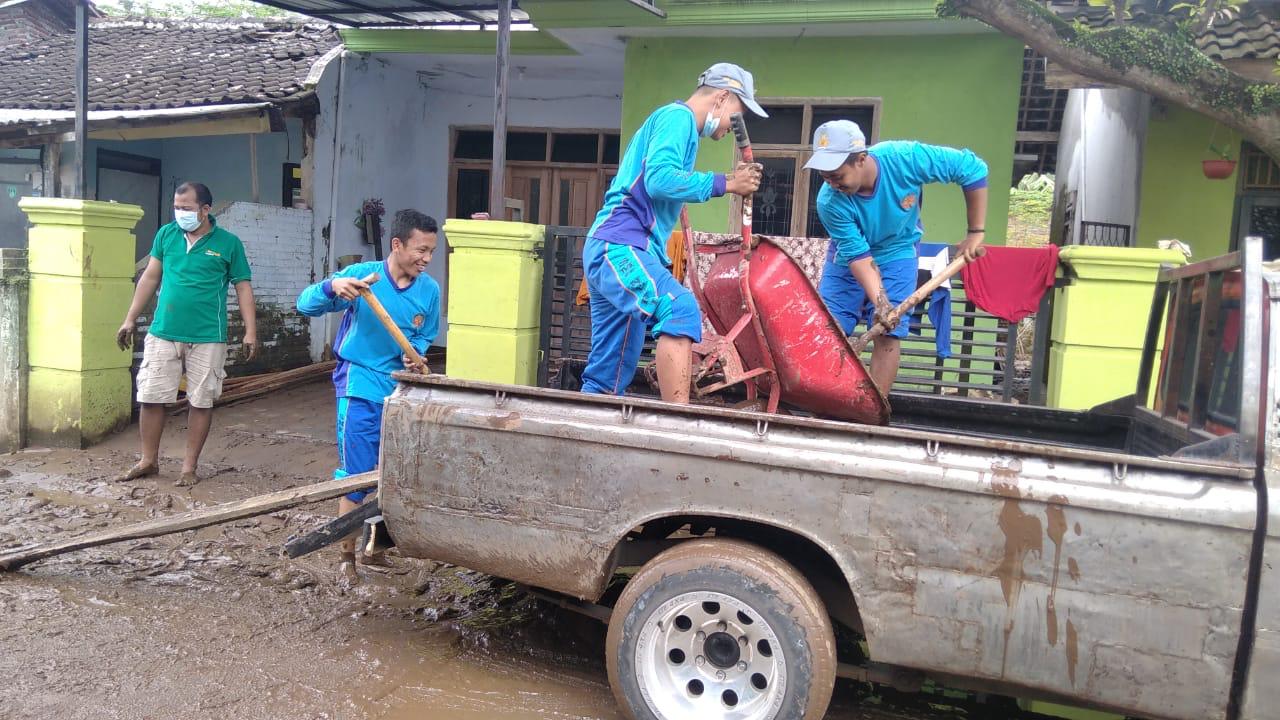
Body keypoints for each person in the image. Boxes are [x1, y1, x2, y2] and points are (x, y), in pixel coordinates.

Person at [580, 62, 765, 402]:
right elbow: (659, 179)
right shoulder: (678, 118)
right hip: (620, 243)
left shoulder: (684, 130)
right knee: (680, 309)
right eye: (737, 114)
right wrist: (727, 183)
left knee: (611, 372)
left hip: (618, 246)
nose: (734, 126)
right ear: (722, 97)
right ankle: (675, 428)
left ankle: (580, 435)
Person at [296, 209, 440, 580]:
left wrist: (416, 354)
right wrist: (332, 288)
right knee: (356, 475)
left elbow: (425, 337)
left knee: (388, 474)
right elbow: (305, 304)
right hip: (359, 385)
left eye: (431, 252)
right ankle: (347, 558)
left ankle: (373, 550)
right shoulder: (360, 277)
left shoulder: (429, 290)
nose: (426, 259)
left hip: (400, 392)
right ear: (397, 244)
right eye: (420, 250)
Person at [804, 120, 989, 391]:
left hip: (898, 253)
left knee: (888, 334)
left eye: (837, 176)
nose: (831, 184)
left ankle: (874, 410)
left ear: (861, 159)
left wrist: (976, 231)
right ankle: (824, 403)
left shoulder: (905, 159)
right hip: (848, 260)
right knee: (828, 332)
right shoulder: (829, 202)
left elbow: (972, 168)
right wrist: (881, 302)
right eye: (825, 177)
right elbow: (859, 258)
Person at [115, 182, 257, 487]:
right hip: (163, 331)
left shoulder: (229, 243)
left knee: (201, 401)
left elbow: (243, 287)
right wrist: (129, 319)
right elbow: (150, 277)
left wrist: (250, 332)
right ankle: (148, 460)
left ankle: (188, 468)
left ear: (205, 209)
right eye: (177, 208)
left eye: (187, 209)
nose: (180, 214)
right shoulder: (166, 235)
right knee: (152, 397)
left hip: (208, 335)